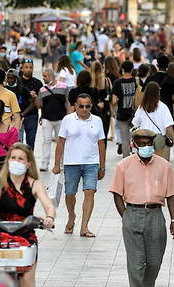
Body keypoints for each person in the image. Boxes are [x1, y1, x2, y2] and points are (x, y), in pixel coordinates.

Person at [0, 143, 56, 287]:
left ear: (28, 163)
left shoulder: (34, 184)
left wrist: (49, 218)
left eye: (21, 159)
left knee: (27, 280)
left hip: (25, 235)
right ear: (8, 160)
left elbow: (49, 205)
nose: (16, 162)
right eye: (13, 158)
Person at [109, 128, 174, 287]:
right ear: (134, 145)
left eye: (148, 144)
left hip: (155, 215)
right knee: (136, 264)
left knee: (154, 262)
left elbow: (171, 195)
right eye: (142, 144)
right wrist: (125, 216)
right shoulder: (124, 166)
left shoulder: (164, 166)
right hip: (132, 213)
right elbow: (116, 193)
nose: (146, 147)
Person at [53, 94, 106, 238]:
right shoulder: (67, 120)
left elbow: (102, 144)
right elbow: (61, 142)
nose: (84, 109)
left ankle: (84, 226)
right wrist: (56, 164)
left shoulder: (97, 120)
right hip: (71, 163)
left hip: (91, 163)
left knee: (90, 191)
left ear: (91, 106)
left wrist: (102, 166)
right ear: (75, 106)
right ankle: (71, 216)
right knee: (70, 194)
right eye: (81, 106)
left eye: (87, 106)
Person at [132, 82, 174, 160]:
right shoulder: (163, 107)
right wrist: (172, 138)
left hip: (144, 138)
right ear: (157, 93)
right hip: (159, 138)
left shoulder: (141, 107)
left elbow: (135, 123)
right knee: (161, 164)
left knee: (146, 162)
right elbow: (168, 126)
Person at [37, 68, 70, 172]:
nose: (43, 78)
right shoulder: (42, 90)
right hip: (47, 118)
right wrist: (36, 98)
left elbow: (68, 103)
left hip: (61, 119)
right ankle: (44, 164)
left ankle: (62, 163)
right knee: (46, 141)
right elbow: (39, 105)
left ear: (51, 76)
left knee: (60, 141)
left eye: (45, 76)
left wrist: (68, 116)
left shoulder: (64, 87)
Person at [112, 61, 138, 159]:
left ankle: (127, 159)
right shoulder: (137, 81)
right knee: (137, 137)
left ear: (122, 69)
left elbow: (114, 100)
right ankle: (138, 157)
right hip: (135, 113)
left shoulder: (117, 82)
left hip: (122, 113)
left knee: (125, 139)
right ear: (132, 69)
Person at [18, 59, 43, 149]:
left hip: (32, 115)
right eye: (26, 67)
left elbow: (41, 102)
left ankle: (30, 161)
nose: (28, 69)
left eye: (30, 67)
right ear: (22, 68)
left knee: (31, 141)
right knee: (17, 141)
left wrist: (36, 97)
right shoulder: (16, 81)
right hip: (17, 114)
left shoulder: (38, 83)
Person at [5, 68, 32, 147]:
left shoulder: (23, 89)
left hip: (18, 119)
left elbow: (32, 103)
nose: (10, 80)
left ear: (16, 78)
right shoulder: (3, 89)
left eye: (12, 78)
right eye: (8, 78)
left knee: (18, 140)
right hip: (6, 119)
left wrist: (23, 114)